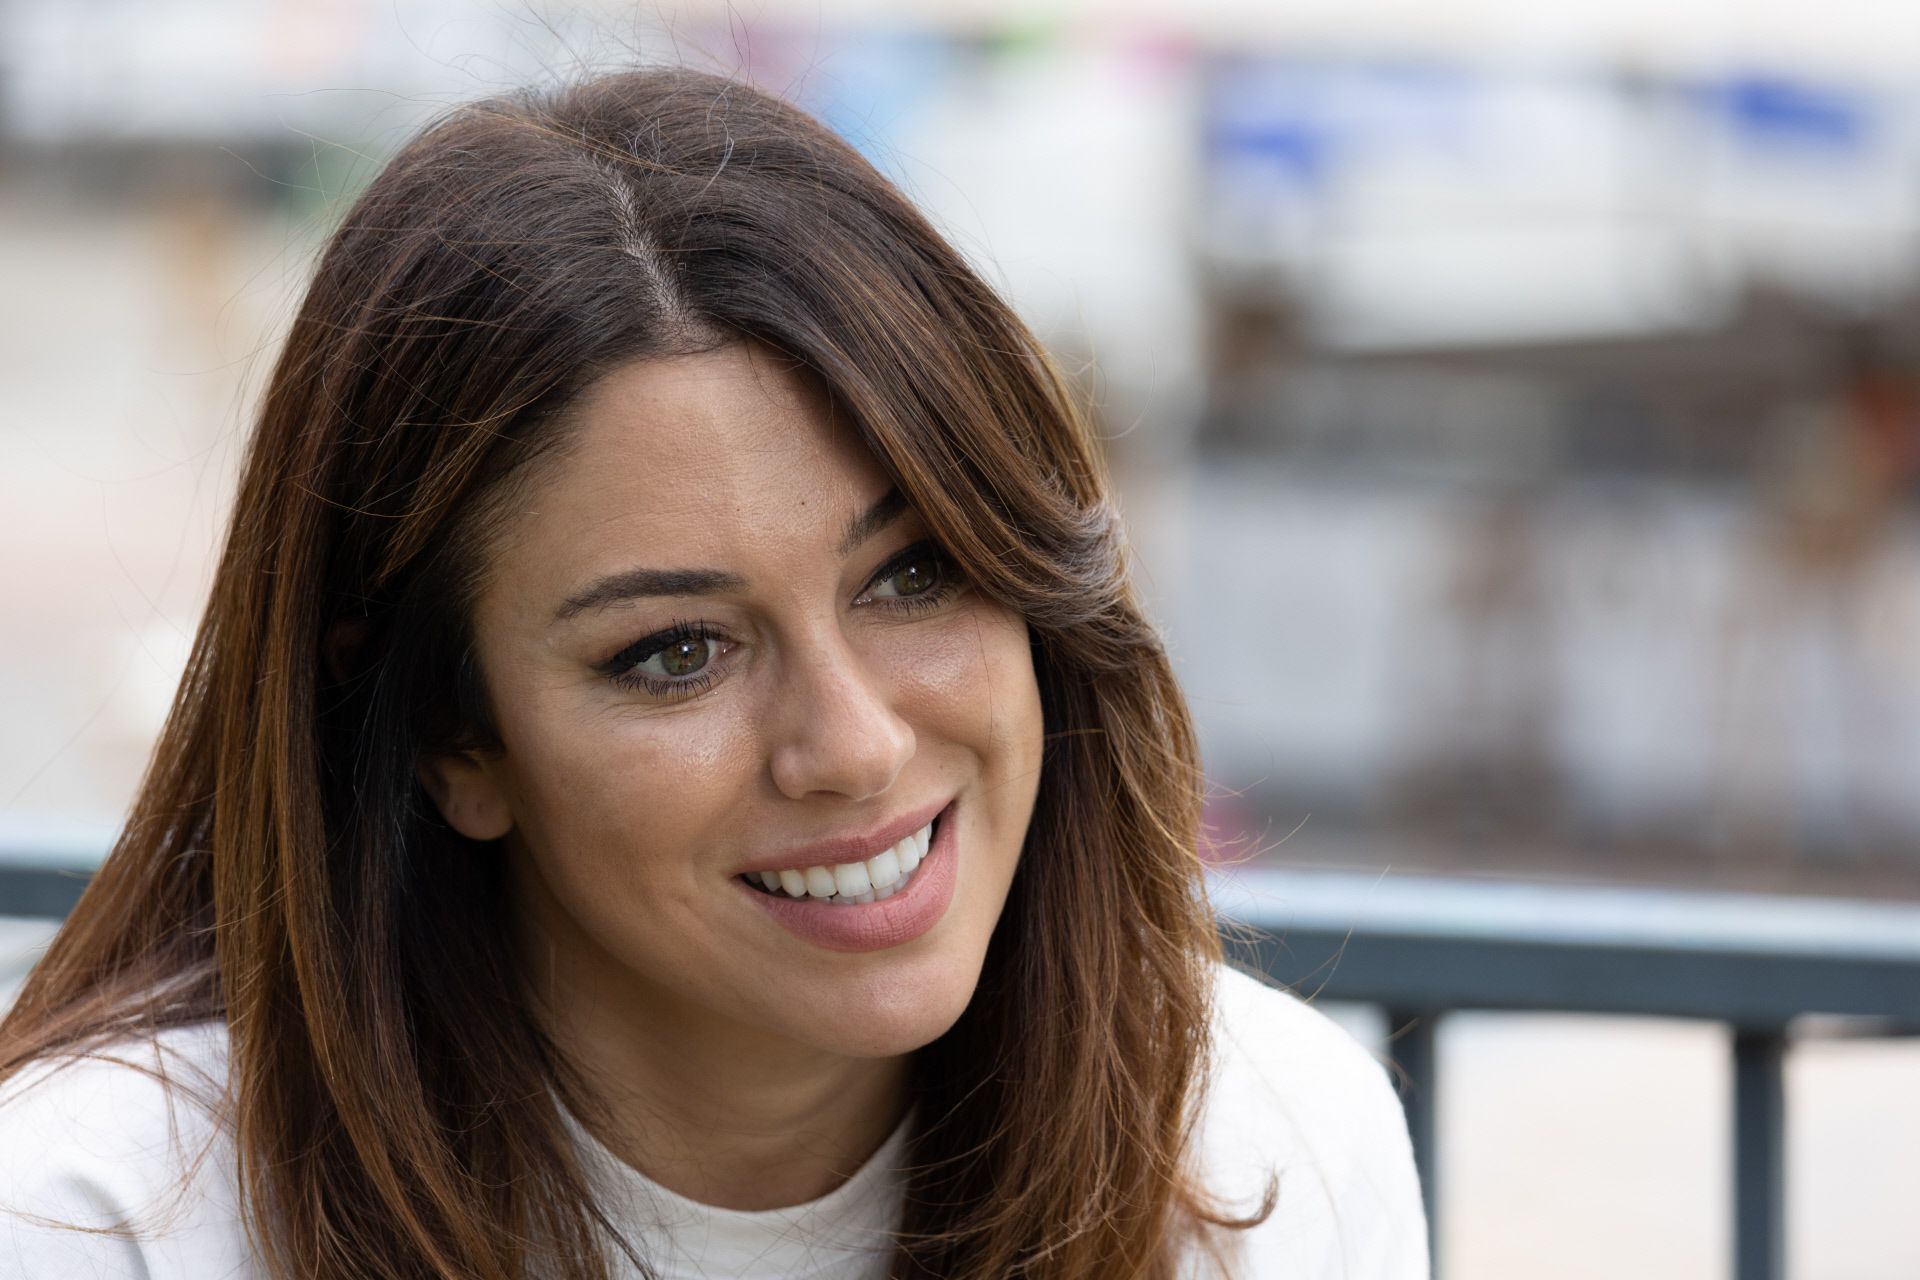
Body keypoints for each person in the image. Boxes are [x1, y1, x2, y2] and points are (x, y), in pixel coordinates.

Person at [0, 66, 1426, 1279]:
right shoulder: (98, 1221)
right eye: (675, 653)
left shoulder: (1269, 1148)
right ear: (450, 733)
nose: (854, 746)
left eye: (914, 574)